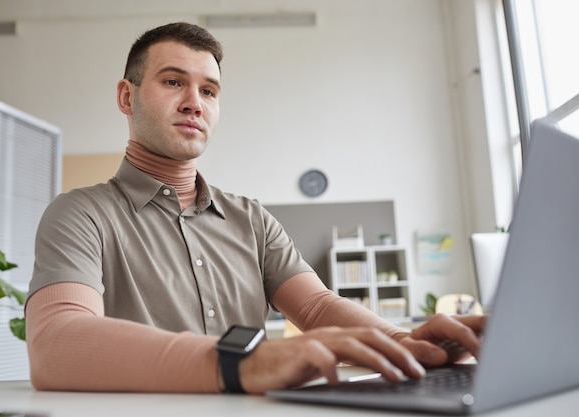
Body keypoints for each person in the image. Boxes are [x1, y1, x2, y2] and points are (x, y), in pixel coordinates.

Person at [25, 22, 485, 394]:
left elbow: (319, 307)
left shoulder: (251, 218)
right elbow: (56, 342)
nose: (194, 103)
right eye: (173, 82)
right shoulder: (79, 214)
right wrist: (239, 364)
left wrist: (404, 344)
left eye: (209, 91)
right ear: (127, 96)